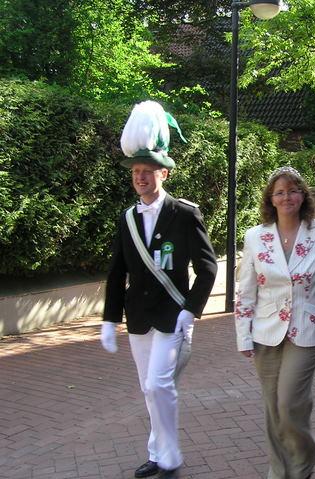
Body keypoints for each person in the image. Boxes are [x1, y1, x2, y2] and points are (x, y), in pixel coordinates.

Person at [101, 101, 217, 479]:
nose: (140, 177)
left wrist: (190, 310)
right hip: (138, 318)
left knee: (158, 384)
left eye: (148, 171)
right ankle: (157, 452)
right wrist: (109, 319)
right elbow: (117, 272)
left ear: (163, 173)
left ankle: (169, 456)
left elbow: (207, 267)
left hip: (173, 316)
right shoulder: (127, 218)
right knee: (150, 389)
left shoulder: (184, 213)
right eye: (136, 171)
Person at [234, 166, 315, 479]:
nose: (287, 197)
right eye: (280, 192)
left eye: (293, 191)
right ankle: (278, 469)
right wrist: (243, 336)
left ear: (303, 196)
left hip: (306, 328)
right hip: (265, 331)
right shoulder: (255, 237)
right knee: (272, 408)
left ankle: (303, 461)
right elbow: (246, 290)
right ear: (271, 199)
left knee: (289, 403)